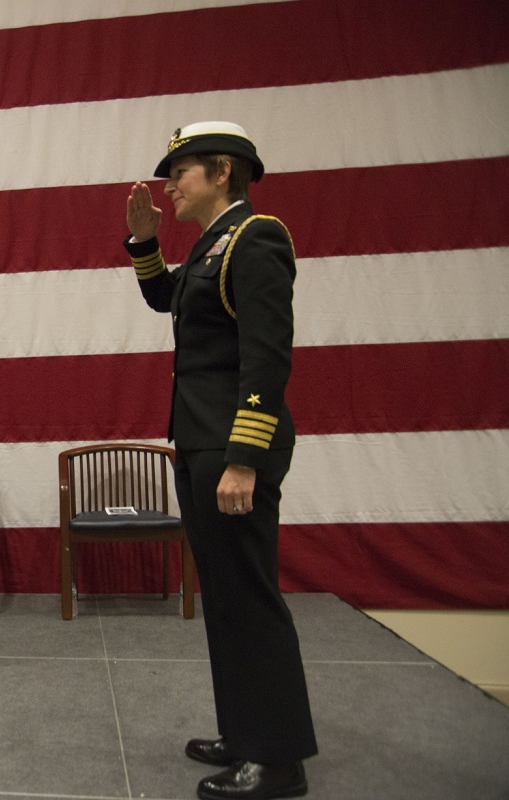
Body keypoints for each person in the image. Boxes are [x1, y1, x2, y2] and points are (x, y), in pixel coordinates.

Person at [123, 122, 317, 800]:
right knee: (227, 601)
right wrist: (146, 243)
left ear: (224, 173)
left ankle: (279, 760)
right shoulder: (215, 245)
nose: (170, 183)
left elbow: (267, 355)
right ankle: (245, 734)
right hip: (203, 441)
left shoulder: (257, 239)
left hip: (232, 446)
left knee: (250, 600)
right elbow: (165, 297)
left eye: (182, 170)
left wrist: (243, 457)